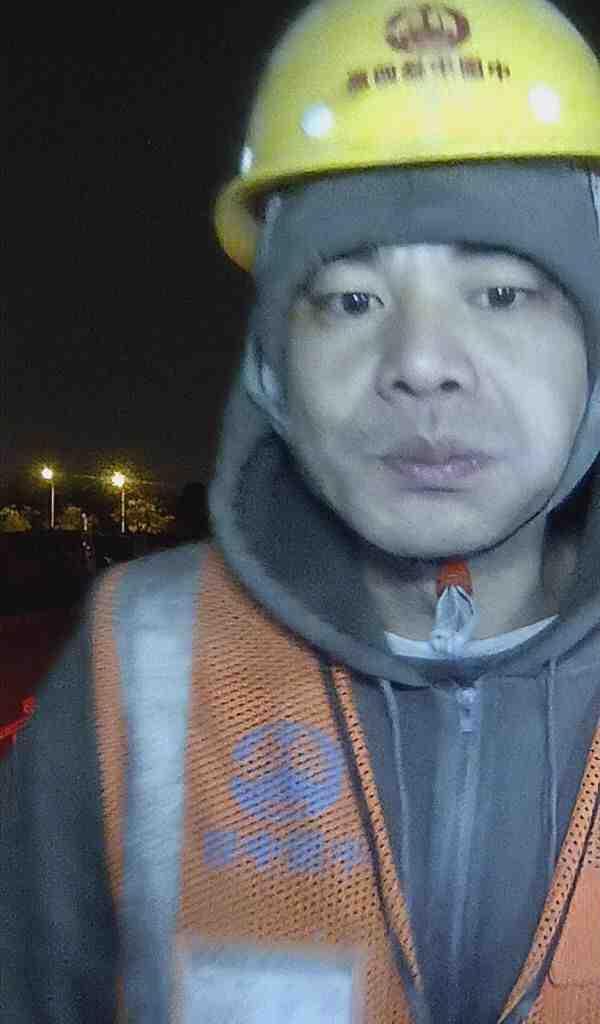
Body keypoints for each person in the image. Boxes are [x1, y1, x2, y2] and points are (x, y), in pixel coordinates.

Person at [5, 0, 600, 1020]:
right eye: (351, 300)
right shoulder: (133, 667)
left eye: (502, 293)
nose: (420, 363)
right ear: (273, 370)